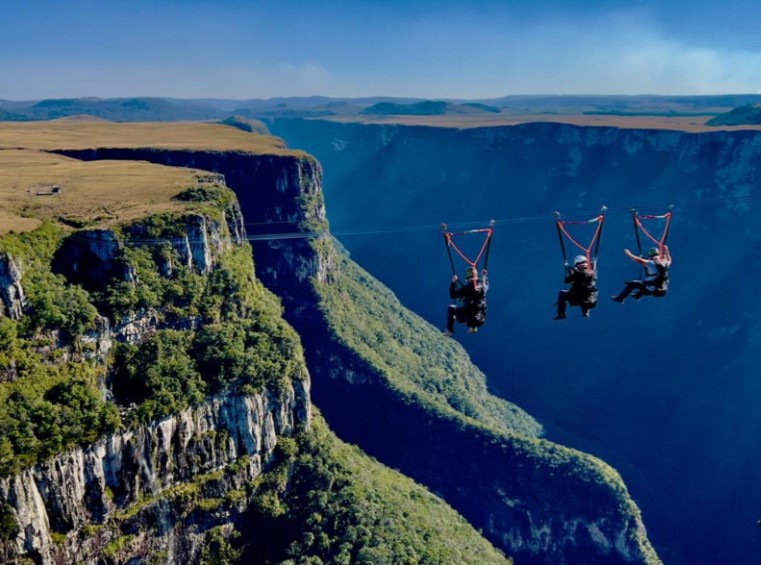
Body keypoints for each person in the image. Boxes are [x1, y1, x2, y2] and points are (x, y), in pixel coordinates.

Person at [443, 267, 489, 336]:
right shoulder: (482, 286)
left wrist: (453, 282)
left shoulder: (467, 288)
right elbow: (484, 286)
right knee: (473, 308)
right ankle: (472, 327)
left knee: (451, 308)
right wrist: (484, 276)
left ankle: (450, 331)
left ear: (468, 278)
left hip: (470, 319)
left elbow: (453, 295)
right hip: (481, 320)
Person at [554, 255, 598, 320]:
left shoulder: (578, 275)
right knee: (586, 290)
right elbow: (591, 269)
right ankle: (586, 312)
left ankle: (561, 314)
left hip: (579, 299)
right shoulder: (592, 272)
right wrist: (594, 261)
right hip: (591, 301)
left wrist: (568, 268)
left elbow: (567, 280)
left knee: (562, 293)